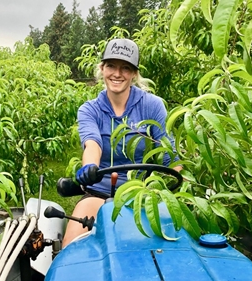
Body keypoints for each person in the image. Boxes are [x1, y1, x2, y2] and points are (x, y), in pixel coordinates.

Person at [62, 38, 181, 247]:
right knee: (72, 248)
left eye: (125, 68)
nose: (117, 74)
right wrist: (90, 166)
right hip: (100, 193)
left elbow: (169, 155)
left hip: (144, 195)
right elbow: (93, 143)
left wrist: (171, 185)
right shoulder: (90, 110)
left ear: (134, 73)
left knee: (170, 246)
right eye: (111, 66)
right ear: (102, 68)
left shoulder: (152, 105)